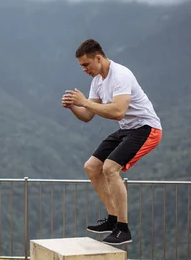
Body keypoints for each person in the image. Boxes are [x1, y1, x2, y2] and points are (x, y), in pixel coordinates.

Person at [62, 39, 162, 245]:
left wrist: (85, 102)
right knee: (91, 167)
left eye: (85, 64)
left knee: (110, 168)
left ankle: (123, 230)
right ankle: (113, 219)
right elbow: (88, 116)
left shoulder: (121, 75)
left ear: (98, 58)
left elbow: (118, 111)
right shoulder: (97, 81)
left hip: (147, 128)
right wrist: (74, 106)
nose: (84, 69)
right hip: (127, 129)